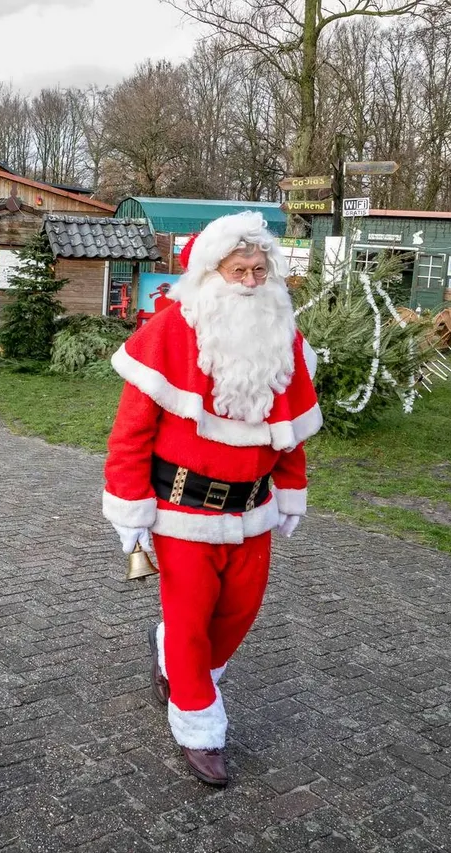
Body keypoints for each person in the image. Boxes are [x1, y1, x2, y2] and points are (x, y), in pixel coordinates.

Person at [100, 211, 322, 788]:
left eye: (259, 268)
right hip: (181, 509)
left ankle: (174, 656)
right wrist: (129, 507)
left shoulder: (283, 336)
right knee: (191, 618)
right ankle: (200, 727)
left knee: (239, 613)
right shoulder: (173, 331)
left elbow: (290, 426)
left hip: (253, 508)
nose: (250, 280)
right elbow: (130, 431)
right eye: (238, 269)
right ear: (212, 272)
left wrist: (291, 492)